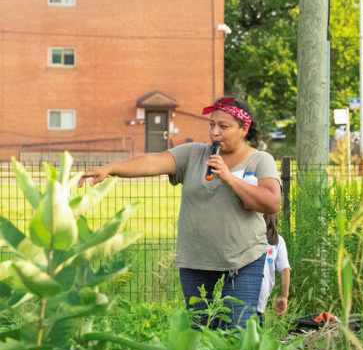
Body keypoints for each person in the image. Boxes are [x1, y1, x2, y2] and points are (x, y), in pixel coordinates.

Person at [79, 96, 281, 331]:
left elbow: (272, 202)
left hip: (244, 259)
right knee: (200, 331)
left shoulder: (260, 160)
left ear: (243, 129)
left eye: (223, 127)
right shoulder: (194, 154)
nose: (215, 132)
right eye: (211, 124)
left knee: (236, 331)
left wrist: (228, 177)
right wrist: (110, 169)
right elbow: (153, 162)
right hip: (196, 259)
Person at [257, 213, 291, 320]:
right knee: (257, 326)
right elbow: (285, 269)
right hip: (263, 290)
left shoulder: (251, 237)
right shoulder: (278, 240)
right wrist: (284, 296)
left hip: (244, 286)